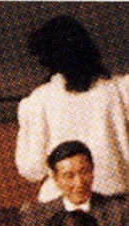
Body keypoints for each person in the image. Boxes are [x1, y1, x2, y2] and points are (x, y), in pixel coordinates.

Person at [16, 15, 129, 203]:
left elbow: (32, 169)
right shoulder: (120, 90)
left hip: (59, 206)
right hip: (114, 205)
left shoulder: (38, 101)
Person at [19, 141, 128, 226]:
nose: (79, 182)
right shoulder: (36, 218)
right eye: (69, 176)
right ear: (56, 179)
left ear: (92, 171)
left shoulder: (120, 211)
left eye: (84, 172)